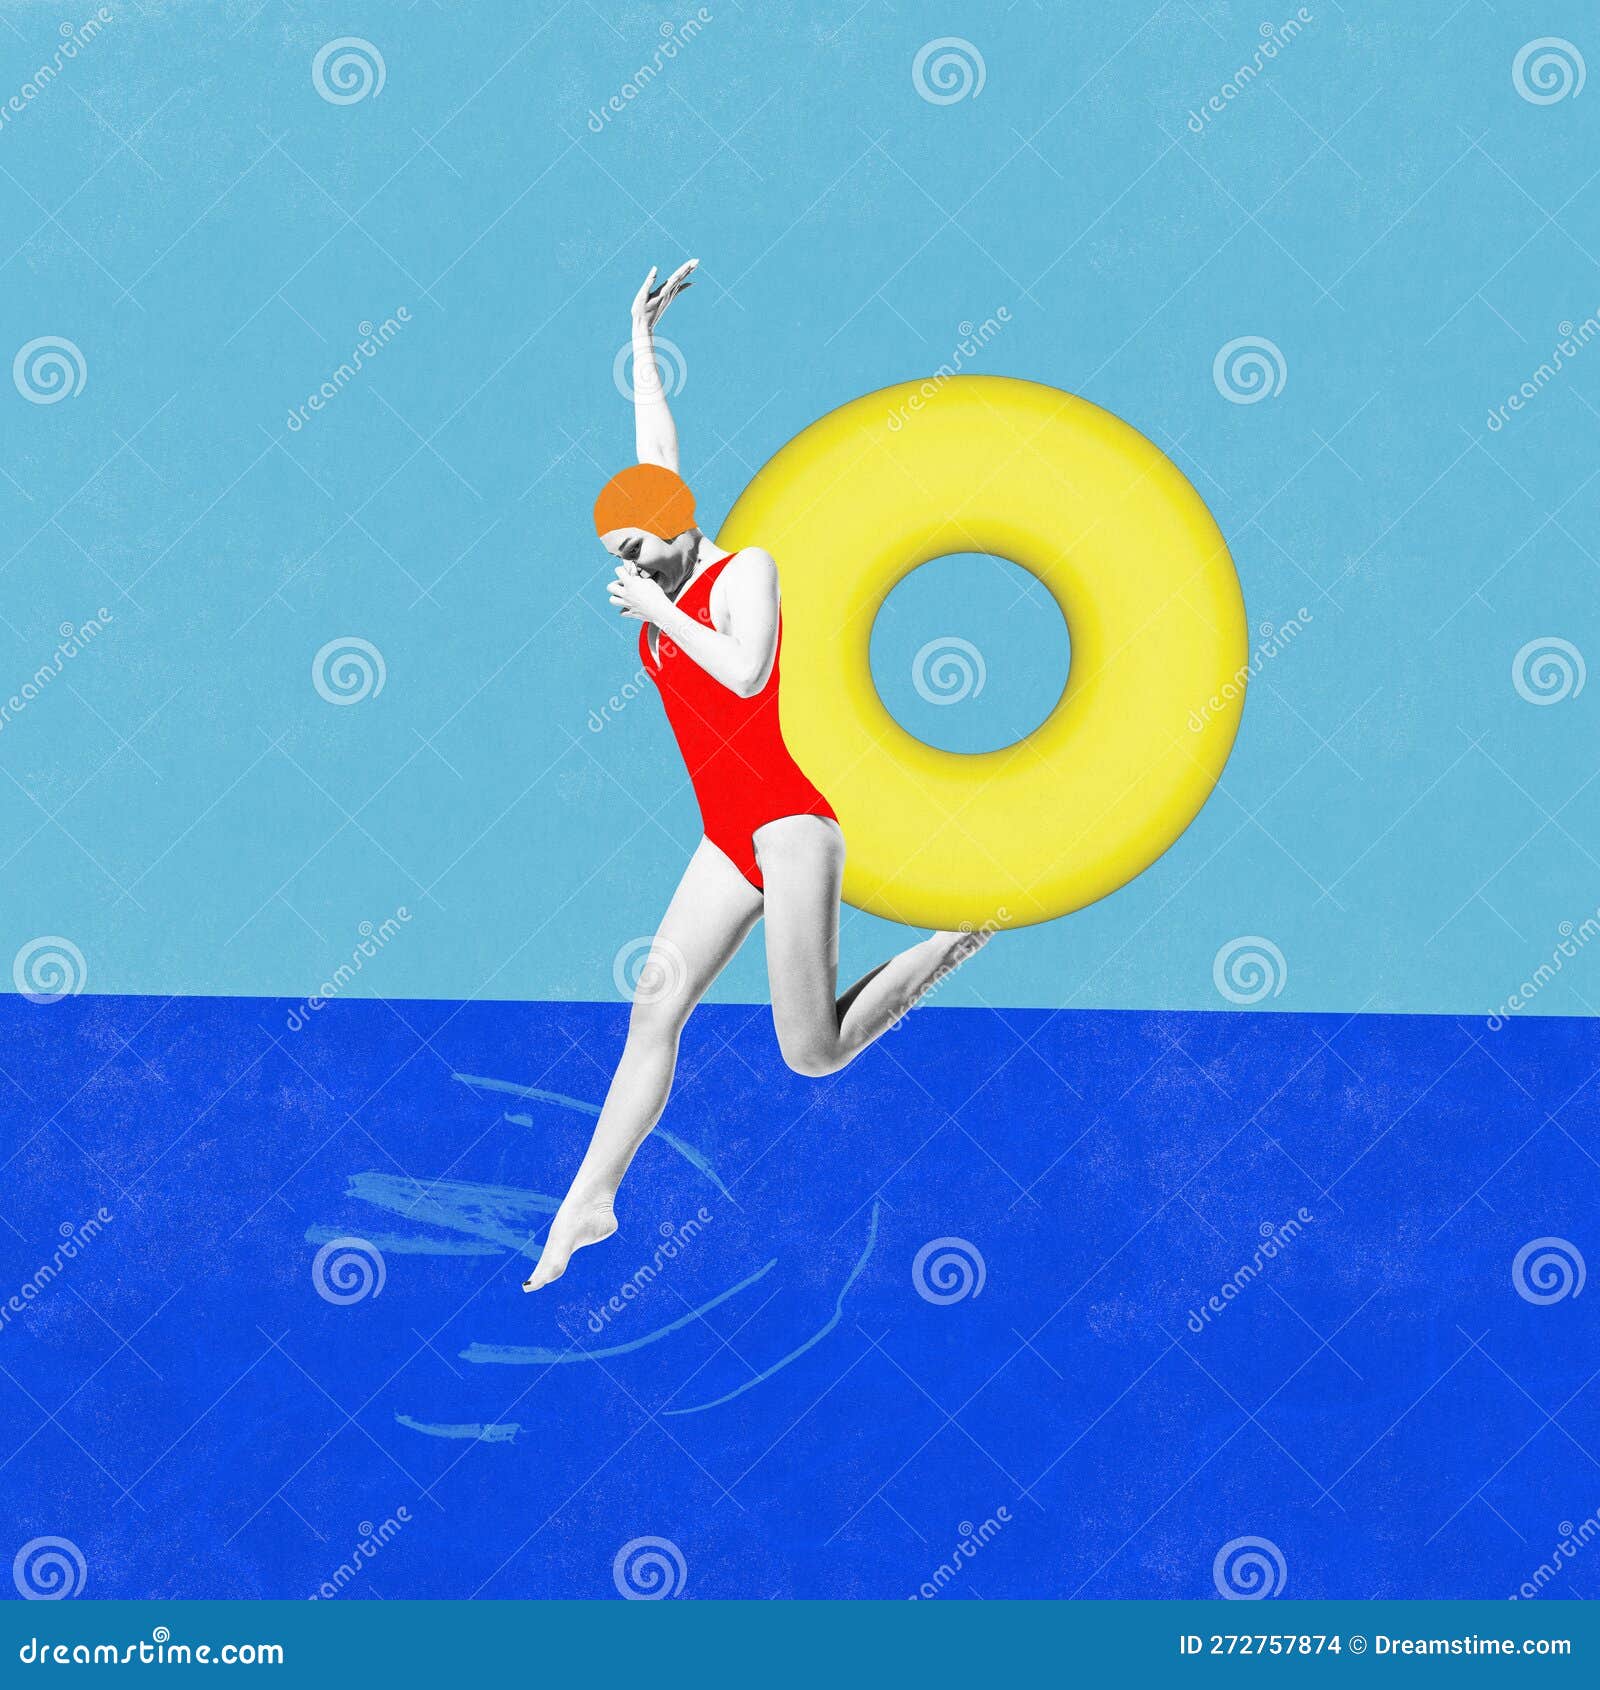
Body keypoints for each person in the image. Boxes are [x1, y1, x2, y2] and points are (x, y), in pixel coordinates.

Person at [525, 260, 990, 1291]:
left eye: (643, 550)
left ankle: (952, 940)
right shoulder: (666, 551)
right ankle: (587, 1201)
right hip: (725, 836)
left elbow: (742, 672)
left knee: (811, 1054)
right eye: (622, 558)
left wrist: (658, 614)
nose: (634, 570)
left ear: (683, 523)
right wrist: (639, 338)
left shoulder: (744, 573)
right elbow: (654, 444)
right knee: (653, 1004)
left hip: (786, 827)